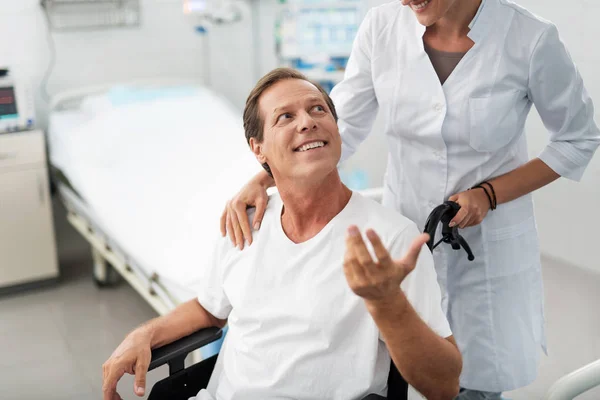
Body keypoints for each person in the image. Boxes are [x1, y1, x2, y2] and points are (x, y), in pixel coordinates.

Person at [220, 0, 600, 398]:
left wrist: (489, 194)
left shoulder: (530, 38)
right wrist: (265, 177)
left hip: (485, 251)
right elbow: (340, 126)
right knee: (402, 363)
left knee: (474, 382)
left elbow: (578, 139)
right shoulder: (382, 26)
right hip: (405, 233)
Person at [102, 68, 462, 400]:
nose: (307, 122)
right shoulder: (245, 224)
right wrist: (144, 334)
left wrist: (388, 304)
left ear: (336, 129)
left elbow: (444, 386)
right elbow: (209, 309)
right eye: (285, 117)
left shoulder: (389, 240)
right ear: (257, 148)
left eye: (318, 110)